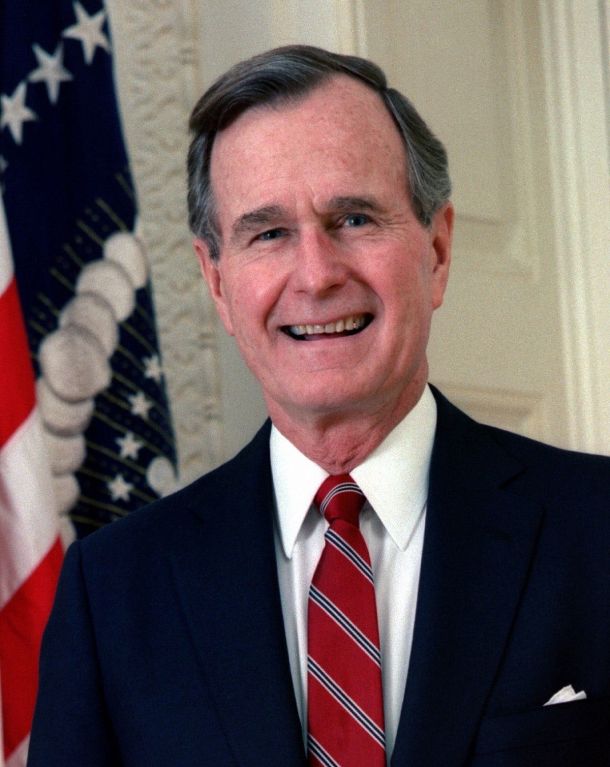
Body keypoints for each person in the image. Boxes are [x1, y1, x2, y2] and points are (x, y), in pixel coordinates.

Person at [28, 45, 609, 767]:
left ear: (436, 250)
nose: (316, 274)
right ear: (218, 283)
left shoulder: (598, 528)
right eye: (268, 233)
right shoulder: (113, 591)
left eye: (355, 218)